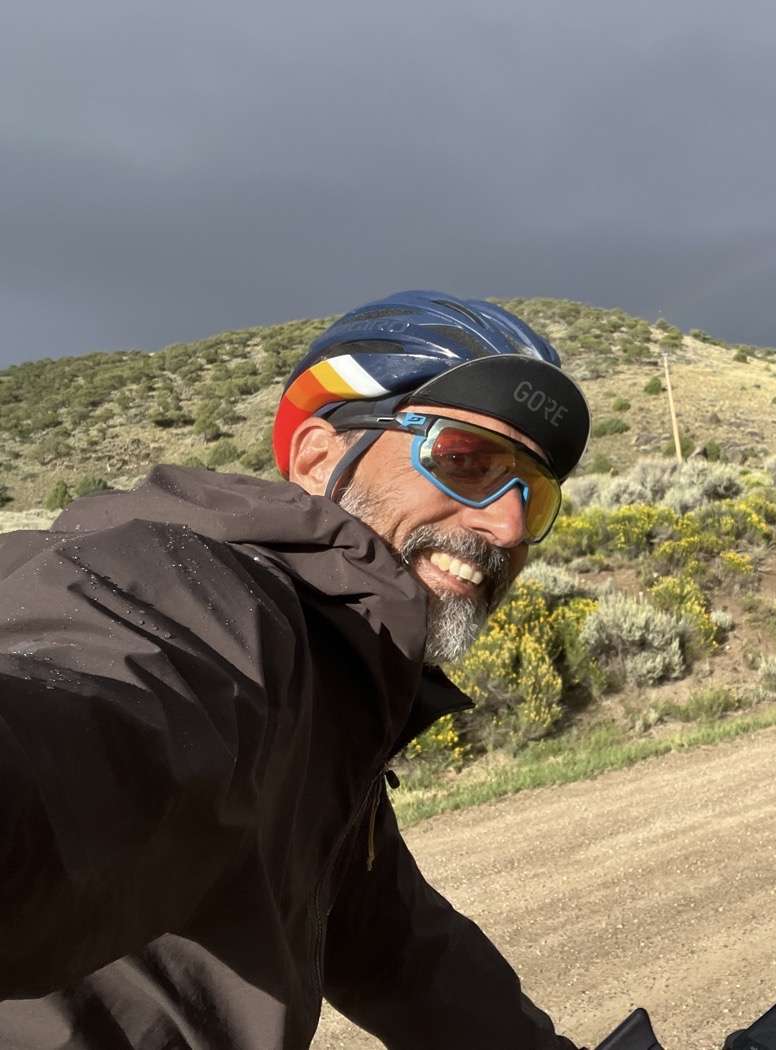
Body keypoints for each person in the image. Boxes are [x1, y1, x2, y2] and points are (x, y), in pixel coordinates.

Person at [0, 292, 592, 1049]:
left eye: (532, 492)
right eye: (466, 461)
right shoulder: (203, 596)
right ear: (317, 459)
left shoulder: (337, 688)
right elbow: (89, 723)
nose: (507, 525)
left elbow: (399, 951)